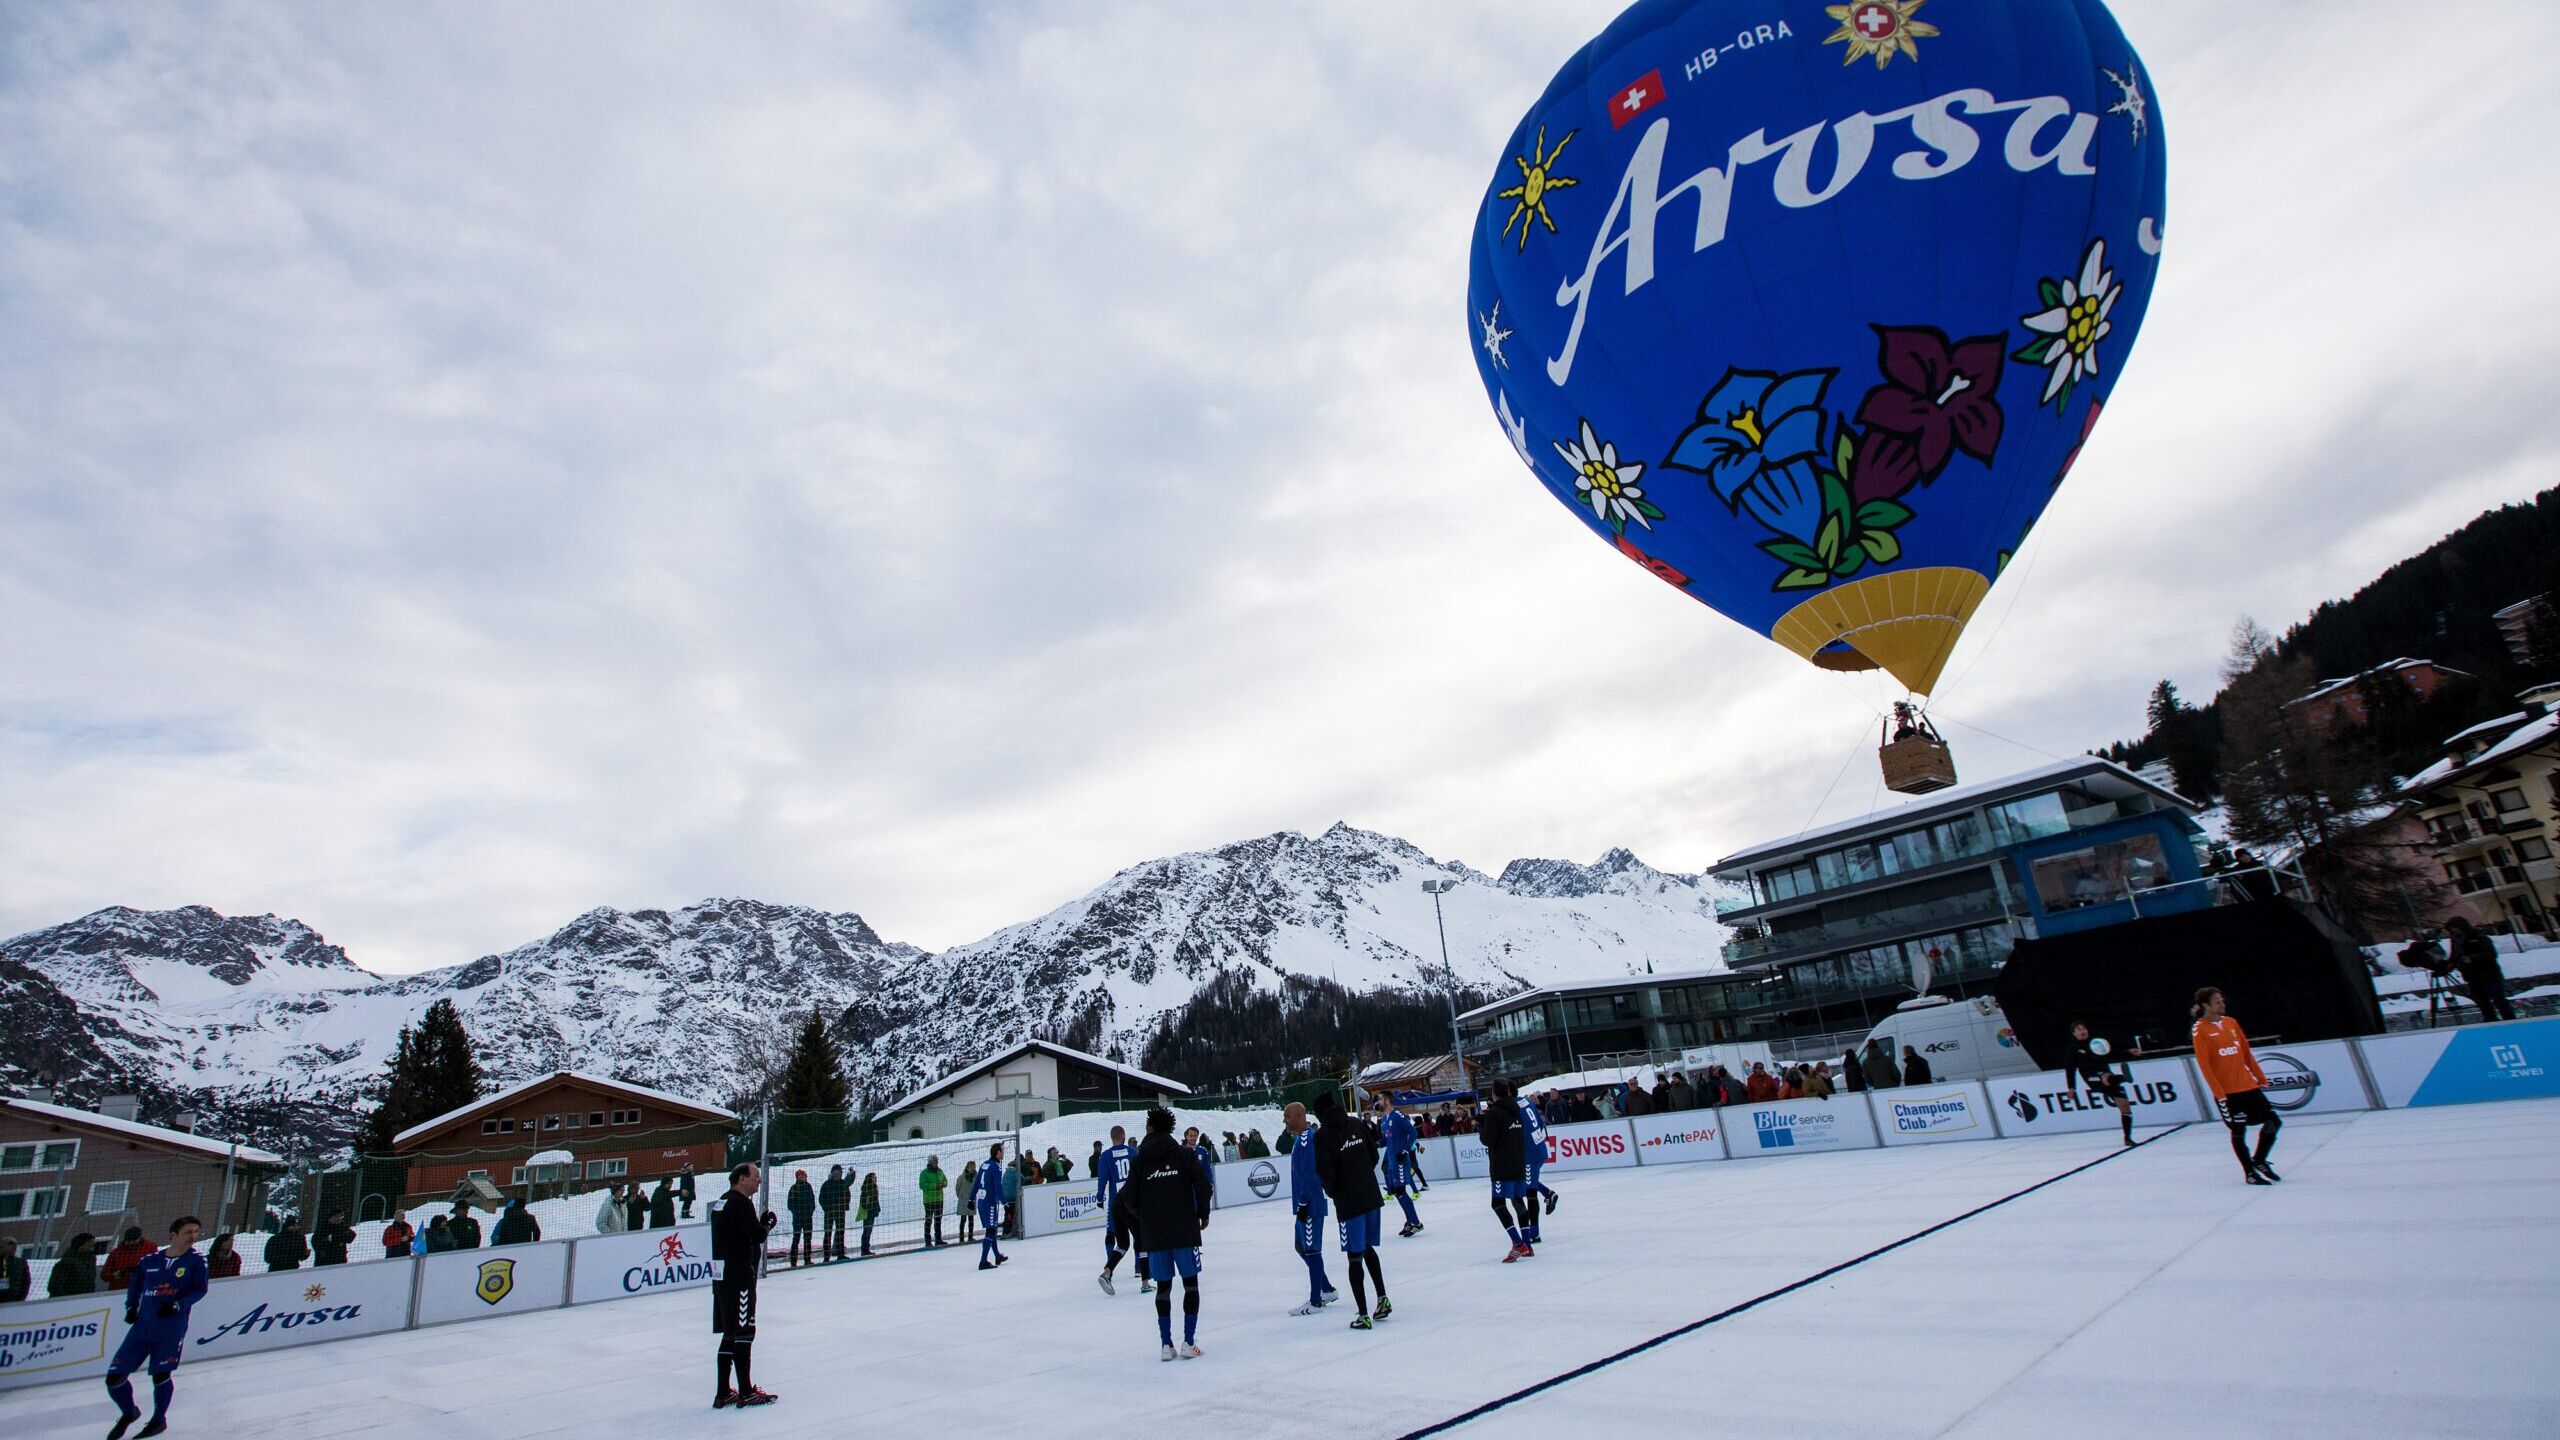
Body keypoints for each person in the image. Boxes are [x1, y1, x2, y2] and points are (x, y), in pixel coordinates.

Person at [1112, 1106, 1212, 1360]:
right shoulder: (1184, 1155)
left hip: (1155, 1235)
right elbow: (1203, 1185)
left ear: (1150, 1128)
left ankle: (1166, 1345)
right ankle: (1189, 1342)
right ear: (1170, 1128)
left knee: (1163, 1288)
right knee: (1190, 1285)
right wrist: (1202, 1213)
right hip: (1184, 1231)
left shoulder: (1140, 1160)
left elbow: (1127, 1197)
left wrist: (1145, 1218)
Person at [102, 1215, 208, 1439]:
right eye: (188, 1231)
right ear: (173, 1235)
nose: (193, 1236)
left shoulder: (197, 1261)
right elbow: (135, 1285)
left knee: (160, 1375)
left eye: (196, 1232)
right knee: (114, 1378)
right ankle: (129, 1413)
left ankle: (159, 1420)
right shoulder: (149, 1261)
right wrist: (131, 1307)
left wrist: (179, 1305)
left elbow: (200, 1290)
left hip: (170, 1329)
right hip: (142, 1328)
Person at [1309, 1090, 1392, 1330]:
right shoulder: (1355, 1122)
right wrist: (1363, 1174)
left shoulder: (1322, 1136)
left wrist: (1337, 1192)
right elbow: (1374, 1154)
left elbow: (1325, 1172)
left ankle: (1364, 1313)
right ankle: (1382, 1297)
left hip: (1350, 1202)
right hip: (1371, 1196)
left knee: (1354, 1256)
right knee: (1367, 1248)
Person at [2193, 986, 2282, 1185]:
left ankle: (2259, 1160)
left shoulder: (2232, 1023)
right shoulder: (2200, 1030)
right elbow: (2205, 1065)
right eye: (2217, 1002)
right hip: (2229, 1093)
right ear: (2205, 1005)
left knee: (2273, 1122)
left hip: (2248, 1086)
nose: (2222, 1004)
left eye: (2222, 1001)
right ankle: (2249, 1173)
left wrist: (2260, 1077)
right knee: (2238, 1131)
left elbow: (2245, 1053)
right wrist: (2219, 1092)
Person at [709, 1162, 779, 1409]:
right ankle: (746, 1392)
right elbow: (757, 1235)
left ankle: (723, 1391)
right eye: (756, 1176)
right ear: (741, 1178)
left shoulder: (722, 1203)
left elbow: (741, 1232)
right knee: (744, 1333)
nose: (758, 1181)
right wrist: (768, 1224)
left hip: (722, 1278)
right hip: (739, 1278)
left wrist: (758, 1224)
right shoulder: (740, 1203)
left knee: (729, 1334)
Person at [1280, 1102, 1338, 1316]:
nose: (1284, 1120)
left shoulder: (1307, 1140)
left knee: (1312, 1249)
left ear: (1298, 1116)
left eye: (1286, 1116)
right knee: (1301, 1246)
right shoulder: (1299, 1140)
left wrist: (1304, 1203)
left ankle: (1315, 1300)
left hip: (1310, 1204)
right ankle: (1327, 1288)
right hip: (1305, 1204)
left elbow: (1310, 1174)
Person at [1480, 1081, 1537, 1263]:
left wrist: (1481, 1124)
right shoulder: (1516, 1110)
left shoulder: (1494, 1113)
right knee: (1518, 1200)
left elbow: (1488, 1139)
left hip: (1502, 1166)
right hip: (1518, 1162)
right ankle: (1527, 1244)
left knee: (1497, 1204)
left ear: (1495, 1093)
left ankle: (1518, 1243)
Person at [2069, 1020, 2138, 1146]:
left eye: (2084, 1028)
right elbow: (2070, 1069)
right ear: (2074, 1033)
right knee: (2105, 1077)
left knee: (2125, 1106)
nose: (2082, 1031)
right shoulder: (2073, 1049)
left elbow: (2111, 1051)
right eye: (2079, 1029)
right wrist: (2071, 1088)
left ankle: (2127, 1138)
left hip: (2107, 1075)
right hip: (2091, 1077)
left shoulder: (2096, 1042)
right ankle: (2123, 1078)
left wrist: (2128, 1052)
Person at [2445, 916, 2518, 1022]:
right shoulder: (2455, 939)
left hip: (2489, 974)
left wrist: (2472, 958)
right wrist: (2449, 966)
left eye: (2455, 928)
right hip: (2472, 976)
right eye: (2452, 929)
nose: (2453, 931)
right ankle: (2491, 1021)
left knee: (2499, 1000)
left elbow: (2491, 954)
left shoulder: (2478, 936)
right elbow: (2455, 956)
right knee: (2482, 1002)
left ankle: (2510, 1021)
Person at [1095, 1124, 1137, 1294]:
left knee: (1112, 1234)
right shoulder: (1133, 1152)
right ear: (1124, 1136)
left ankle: (1109, 1263)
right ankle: (1139, 1268)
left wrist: (1099, 1197)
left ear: (1111, 1137)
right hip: (1133, 1201)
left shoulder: (1105, 1156)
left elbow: (1102, 1179)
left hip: (1116, 1202)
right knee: (1138, 1235)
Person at [1376, 1095, 1425, 1238]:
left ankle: (1416, 1222)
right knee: (1396, 1192)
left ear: (1386, 1100)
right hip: (1392, 1161)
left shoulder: (1398, 1116)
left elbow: (1413, 1132)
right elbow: (1388, 1139)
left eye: (1380, 1099)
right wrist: (1378, 1143)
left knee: (1401, 1191)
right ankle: (1410, 1221)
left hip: (1400, 1161)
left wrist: (1405, 1150)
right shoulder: (1384, 1119)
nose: (1378, 1102)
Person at [1517, 1088, 1556, 1240]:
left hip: (1530, 1153)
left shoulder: (1514, 1106)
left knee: (1529, 1191)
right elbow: (1540, 1123)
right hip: (1539, 1147)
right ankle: (1548, 1193)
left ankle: (1534, 1233)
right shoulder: (1526, 1101)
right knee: (1528, 1181)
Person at [974, 1142, 1011, 1269]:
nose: (1003, 1153)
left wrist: (970, 1199)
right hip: (989, 1202)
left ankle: (997, 1255)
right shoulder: (996, 1167)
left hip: (981, 1201)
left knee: (992, 1228)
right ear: (997, 1153)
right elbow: (998, 1186)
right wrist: (1005, 1202)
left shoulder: (984, 1164)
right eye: (1002, 1151)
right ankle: (983, 1261)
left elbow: (977, 1182)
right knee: (990, 1231)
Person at [818, 1165, 851, 1262]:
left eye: (840, 1173)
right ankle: (826, 1256)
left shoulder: (843, 1184)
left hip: (840, 1212)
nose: (838, 1175)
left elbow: (847, 1195)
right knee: (827, 1233)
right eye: (836, 1173)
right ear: (832, 1173)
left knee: (840, 1232)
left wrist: (844, 1206)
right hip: (829, 1213)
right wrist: (827, 1209)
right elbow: (821, 1199)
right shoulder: (826, 1184)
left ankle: (840, 1254)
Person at [785, 1169, 816, 1267]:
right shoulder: (794, 1188)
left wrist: (810, 1211)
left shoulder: (808, 1187)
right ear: (798, 1177)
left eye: (805, 1176)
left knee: (808, 1239)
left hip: (807, 1218)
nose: (804, 1177)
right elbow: (790, 1204)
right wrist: (797, 1212)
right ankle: (793, 1261)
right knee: (796, 1239)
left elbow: (812, 1201)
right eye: (803, 1176)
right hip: (798, 1219)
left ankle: (807, 1259)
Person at [920, 1155, 948, 1248]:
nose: (937, 1163)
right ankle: (927, 1241)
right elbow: (922, 1185)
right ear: (930, 1162)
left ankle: (938, 1239)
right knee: (928, 1221)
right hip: (929, 1200)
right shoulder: (924, 1173)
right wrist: (935, 1186)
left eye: (937, 1161)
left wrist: (942, 1184)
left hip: (939, 1199)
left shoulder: (940, 1171)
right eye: (935, 1161)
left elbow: (946, 1181)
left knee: (938, 1220)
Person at [955, 1161, 979, 1246]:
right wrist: (961, 1196)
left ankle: (970, 1236)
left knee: (971, 1219)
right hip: (963, 1200)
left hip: (971, 1200)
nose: (973, 1168)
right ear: (967, 1167)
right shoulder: (961, 1177)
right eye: (971, 1167)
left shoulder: (976, 1177)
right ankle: (961, 1238)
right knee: (963, 1219)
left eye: (974, 1167)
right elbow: (957, 1188)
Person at [857, 1171, 880, 1256]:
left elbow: (876, 1200)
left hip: (872, 1211)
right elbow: (863, 1200)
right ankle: (864, 1249)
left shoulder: (874, 1187)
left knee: (869, 1230)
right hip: (868, 1212)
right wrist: (868, 1207)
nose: (875, 1179)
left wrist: (877, 1209)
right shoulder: (867, 1188)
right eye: (874, 1177)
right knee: (866, 1230)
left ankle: (866, 1248)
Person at [0, 1235, 29, 1303]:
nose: (12, 1248)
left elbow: (26, 1282)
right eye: (9, 1244)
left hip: (13, 1299)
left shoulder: (21, 1263)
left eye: (14, 1246)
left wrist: (21, 1298)